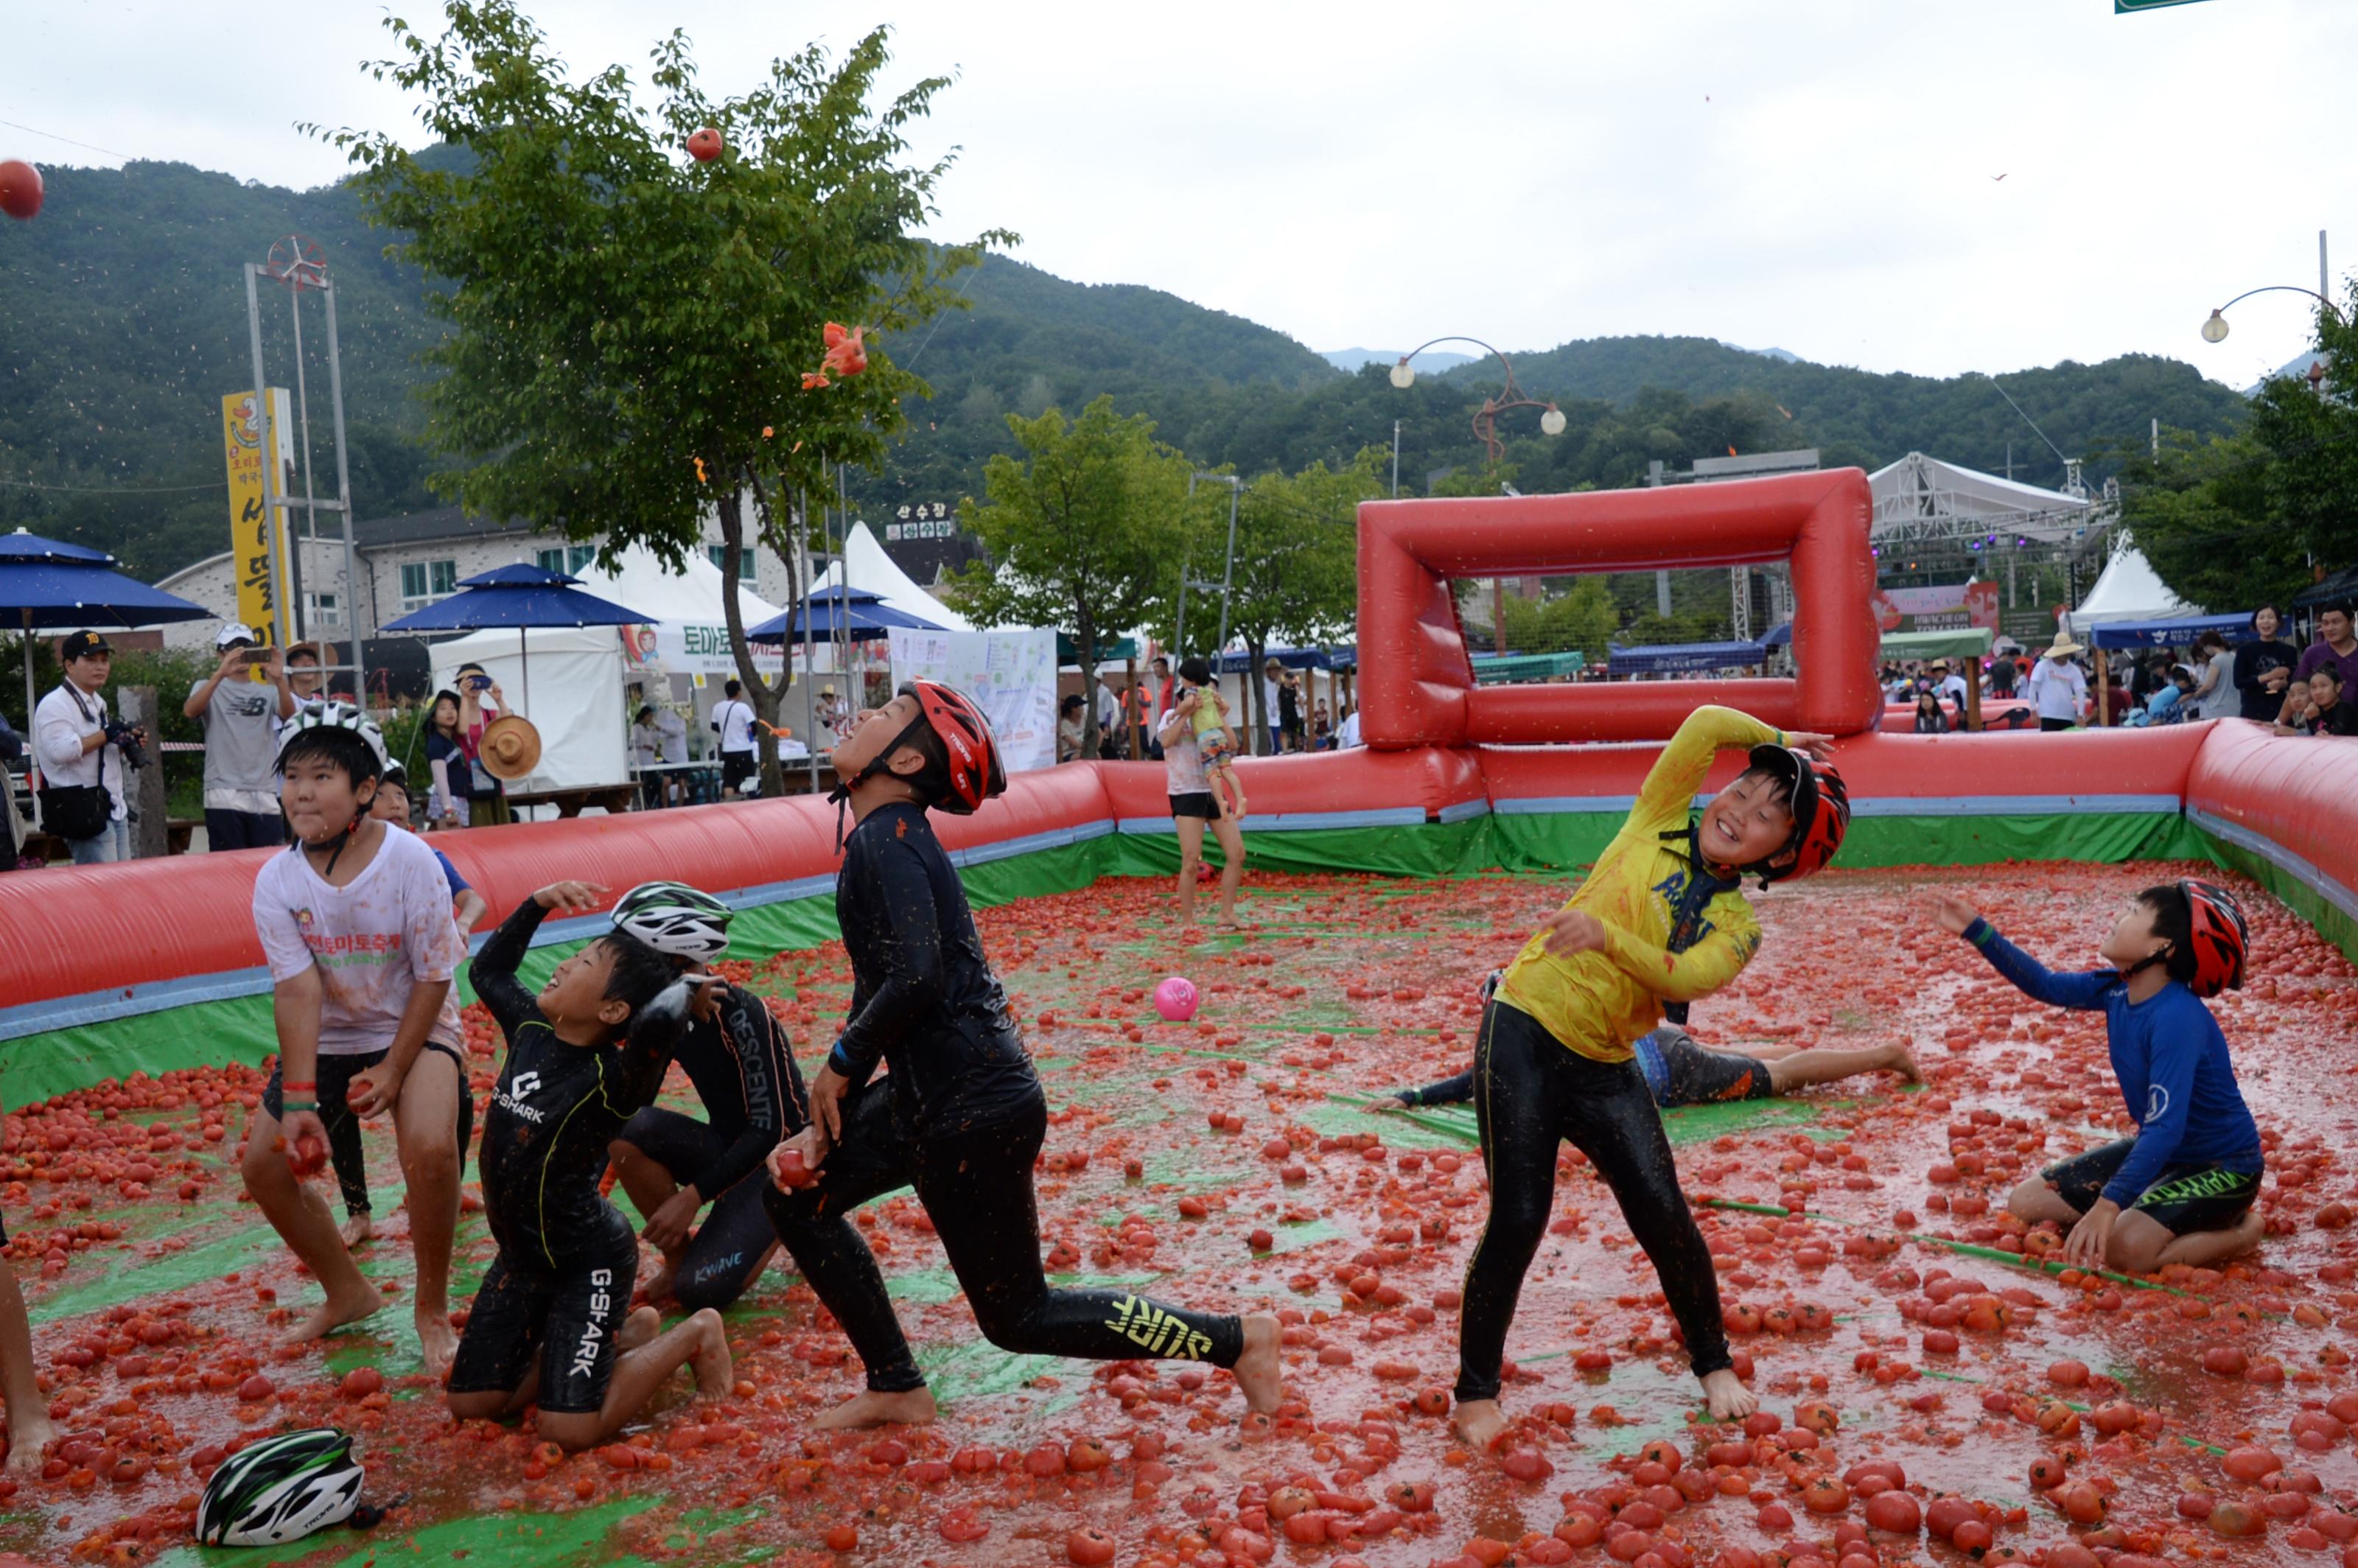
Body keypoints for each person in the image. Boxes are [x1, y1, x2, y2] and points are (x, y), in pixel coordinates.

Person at [760, 683, 1281, 1429]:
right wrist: (837, 1104)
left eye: (881, 717)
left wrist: (840, 1063)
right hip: (932, 1096)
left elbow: (918, 975)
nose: (860, 717)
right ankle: (895, 1383)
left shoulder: (888, 841)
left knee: (1017, 1315)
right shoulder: (883, 837)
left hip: (970, 1107)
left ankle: (1237, 1341)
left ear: (904, 759)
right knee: (792, 1196)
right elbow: (884, 978)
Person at [1451, 705, 1848, 1444]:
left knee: (1665, 1216)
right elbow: (1701, 726)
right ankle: (1474, 1392)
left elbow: (1686, 976)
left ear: (1778, 856)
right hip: (1522, 1029)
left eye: (1767, 816)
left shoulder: (1740, 926)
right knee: (1518, 1214)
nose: (1739, 810)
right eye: (1743, 789)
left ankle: (1713, 1364)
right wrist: (1783, 740)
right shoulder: (1658, 814)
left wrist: (1607, 937)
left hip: (1605, 1064)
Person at [445, 880, 732, 1448]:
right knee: (471, 1404)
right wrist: (537, 902)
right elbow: (488, 973)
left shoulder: (613, 1083)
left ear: (613, 1009)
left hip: (587, 1260)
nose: (563, 966)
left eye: (583, 964)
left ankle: (697, 1334)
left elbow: (652, 1032)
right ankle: (620, 1337)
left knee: (567, 1431)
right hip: (523, 1256)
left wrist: (689, 984)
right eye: (572, 956)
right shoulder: (529, 1030)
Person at [241, 705, 472, 1373]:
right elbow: (298, 990)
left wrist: (397, 1071)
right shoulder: (277, 879)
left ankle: (431, 1307)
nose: (303, 792)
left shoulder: (412, 860)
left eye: (322, 776)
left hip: (414, 1023)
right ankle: (348, 1291)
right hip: (335, 1032)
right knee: (263, 1165)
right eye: (292, 777)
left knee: (429, 1149)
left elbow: (433, 977)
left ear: (366, 791)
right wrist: (302, 1098)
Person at [1936, 883, 2264, 1272]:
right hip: (2166, 1155)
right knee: (2026, 1204)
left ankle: (2246, 1230)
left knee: (2124, 1252)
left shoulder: (2178, 1018)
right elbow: (2046, 985)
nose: (2119, 918)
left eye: (2133, 913)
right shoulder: (2117, 989)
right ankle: (2151, 1207)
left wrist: (2109, 1205)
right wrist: (1978, 930)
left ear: (2161, 948)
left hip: (2224, 1167)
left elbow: (2165, 1129)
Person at [606, 883, 808, 1311]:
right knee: (629, 1130)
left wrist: (691, 1197)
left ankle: (793, 1221)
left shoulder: (740, 1012)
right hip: (727, 1151)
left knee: (703, 1293)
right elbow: (635, 1101)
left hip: (779, 1162)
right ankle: (678, 1261)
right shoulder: (666, 1014)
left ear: (673, 961)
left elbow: (771, 1129)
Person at [318, 766, 487, 1246]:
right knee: (338, 1102)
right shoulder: (331, 864)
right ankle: (358, 1210)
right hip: (357, 1011)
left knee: (449, 1095)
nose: (395, 805)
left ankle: (443, 1190)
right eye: (385, 796)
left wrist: (462, 924)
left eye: (401, 797)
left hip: (422, 1002)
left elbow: (472, 901)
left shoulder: (423, 857)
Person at [1375, 1018, 1917, 1116]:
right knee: (1736, 1057)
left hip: (1670, 1074)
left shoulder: (1512, 1059)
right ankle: (1801, 1046)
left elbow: (1469, 1084)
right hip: (1657, 1040)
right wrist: (1413, 1097)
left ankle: (1882, 1056)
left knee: (1780, 1081)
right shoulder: (1545, 1023)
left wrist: (1415, 1098)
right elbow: (1469, 1082)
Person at [33, 631, 142, 865]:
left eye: (104, 660)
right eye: (91, 660)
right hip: (83, 811)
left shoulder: (97, 702)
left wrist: (126, 744)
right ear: (69, 665)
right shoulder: (55, 704)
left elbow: (98, 751)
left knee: (123, 888)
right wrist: (106, 735)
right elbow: (59, 753)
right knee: (106, 893)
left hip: (112, 807)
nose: (100, 666)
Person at [186, 624, 297, 851]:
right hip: (223, 789)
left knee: (267, 862)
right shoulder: (206, 687)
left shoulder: (267, 691)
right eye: (233, 647)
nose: (241, 652)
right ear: (221, 653)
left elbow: (290, 716)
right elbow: (190, 711)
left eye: (247, 646)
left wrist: (278, 679)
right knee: (227, 865)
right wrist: (220, 674)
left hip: (264, 789)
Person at [1158, 658, 1248, 930]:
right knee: (1190, 859)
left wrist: (1219, 715)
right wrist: (1185, 713)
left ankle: (1227, 912)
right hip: (1186, 792)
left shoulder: (1212, 719)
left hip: (1213, 791)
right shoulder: (1170, 716)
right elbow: (1165, 741)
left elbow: (1232, 745)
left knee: (1237, 853)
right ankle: (1188, 920)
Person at [455, 664, 513, 826]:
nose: (474, 687)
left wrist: (499, 699)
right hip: (470, 783)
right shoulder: (457, 714)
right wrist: (465, 698)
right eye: (469, 682)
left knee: (500, 828)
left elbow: (509, 725)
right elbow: (463, 729)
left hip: (492, 777)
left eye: (478, 681)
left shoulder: (489, 714)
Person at [2233, 605, 2299, 721]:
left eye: (2270, 617)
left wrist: (2283, 684)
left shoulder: (2289, 651)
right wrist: (2267, 677)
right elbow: (2238, 682)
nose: (2266, 621)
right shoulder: (2245, 650)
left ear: (2278, 622)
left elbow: (2296, 681)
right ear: (2255, 623)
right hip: (2252, 710)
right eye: (2261, 618)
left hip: (2280, 710)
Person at [421, 690, 473, 828]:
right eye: (443, 708)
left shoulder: (452, 740)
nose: (450, 712)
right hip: (449, 805)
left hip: (459, 801)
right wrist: (449, 810)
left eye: (453, 708)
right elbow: (440, 778)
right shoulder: (436, 743)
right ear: (433, 717)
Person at [2293, 601, 2358, 700]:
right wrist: (2281, 716)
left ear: (2352, 621)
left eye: (2336, 622)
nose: (2330, 628)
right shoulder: (2312, 654)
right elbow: (2299, 690)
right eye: (2325, 623)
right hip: (2323, 715)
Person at [2026, 633, 2088, 731]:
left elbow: (2080, 693)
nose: (2065, 654)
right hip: (2048, 715)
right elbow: (2032, 690)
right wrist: (2033, 711)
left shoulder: (2074, 670)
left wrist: (2080, 715)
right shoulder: (2043, 666)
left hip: (2068, 715)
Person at [2275, 665, 2358, 738]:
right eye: (2313, 687)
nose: (2318, 692)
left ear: (2338, 688)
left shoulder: (2344, 708)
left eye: (2323, 686)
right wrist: (2294, 732)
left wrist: (2315, 718)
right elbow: (2311, 734)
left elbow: (2333, 738)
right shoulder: (2315, 709)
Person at [713, 679, 758, 799]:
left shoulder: (718, 707)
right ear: (738, 692)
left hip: (727, 750)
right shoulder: (743, 707)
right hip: (744, 748)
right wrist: (749, 735)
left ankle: (729, 805)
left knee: (729, 781)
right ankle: (750, 803)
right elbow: (753, 726)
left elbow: (714, 726)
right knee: (749, 779)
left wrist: (726, 732)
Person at [2186, 630, 2234, 721]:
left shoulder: (2216, 660)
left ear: (2208, 646)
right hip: (2235, 704)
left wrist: (2197, 694)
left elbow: (2209, 685)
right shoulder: (2233, 656)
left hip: (2219, 705)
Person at [2128, 665, 2196, 727]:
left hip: (2153, 711)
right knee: (2179, 709)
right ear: (2182, 682)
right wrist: (2195, 693)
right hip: (2158, 711)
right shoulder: (2176, 690)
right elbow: (2182, 699)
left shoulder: (2170, 688)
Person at [1056, 694, 1086, 763]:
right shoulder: (1064, 725)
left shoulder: (1084, 718)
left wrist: (1095, 748)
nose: (1083, 708)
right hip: (1068, 753)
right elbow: (1075, 743)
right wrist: (1089, 749)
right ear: (1073, 709)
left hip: (1082, 750)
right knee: (1084, 756)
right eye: (1081, 706)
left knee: (1096, 754)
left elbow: (1099, 733)